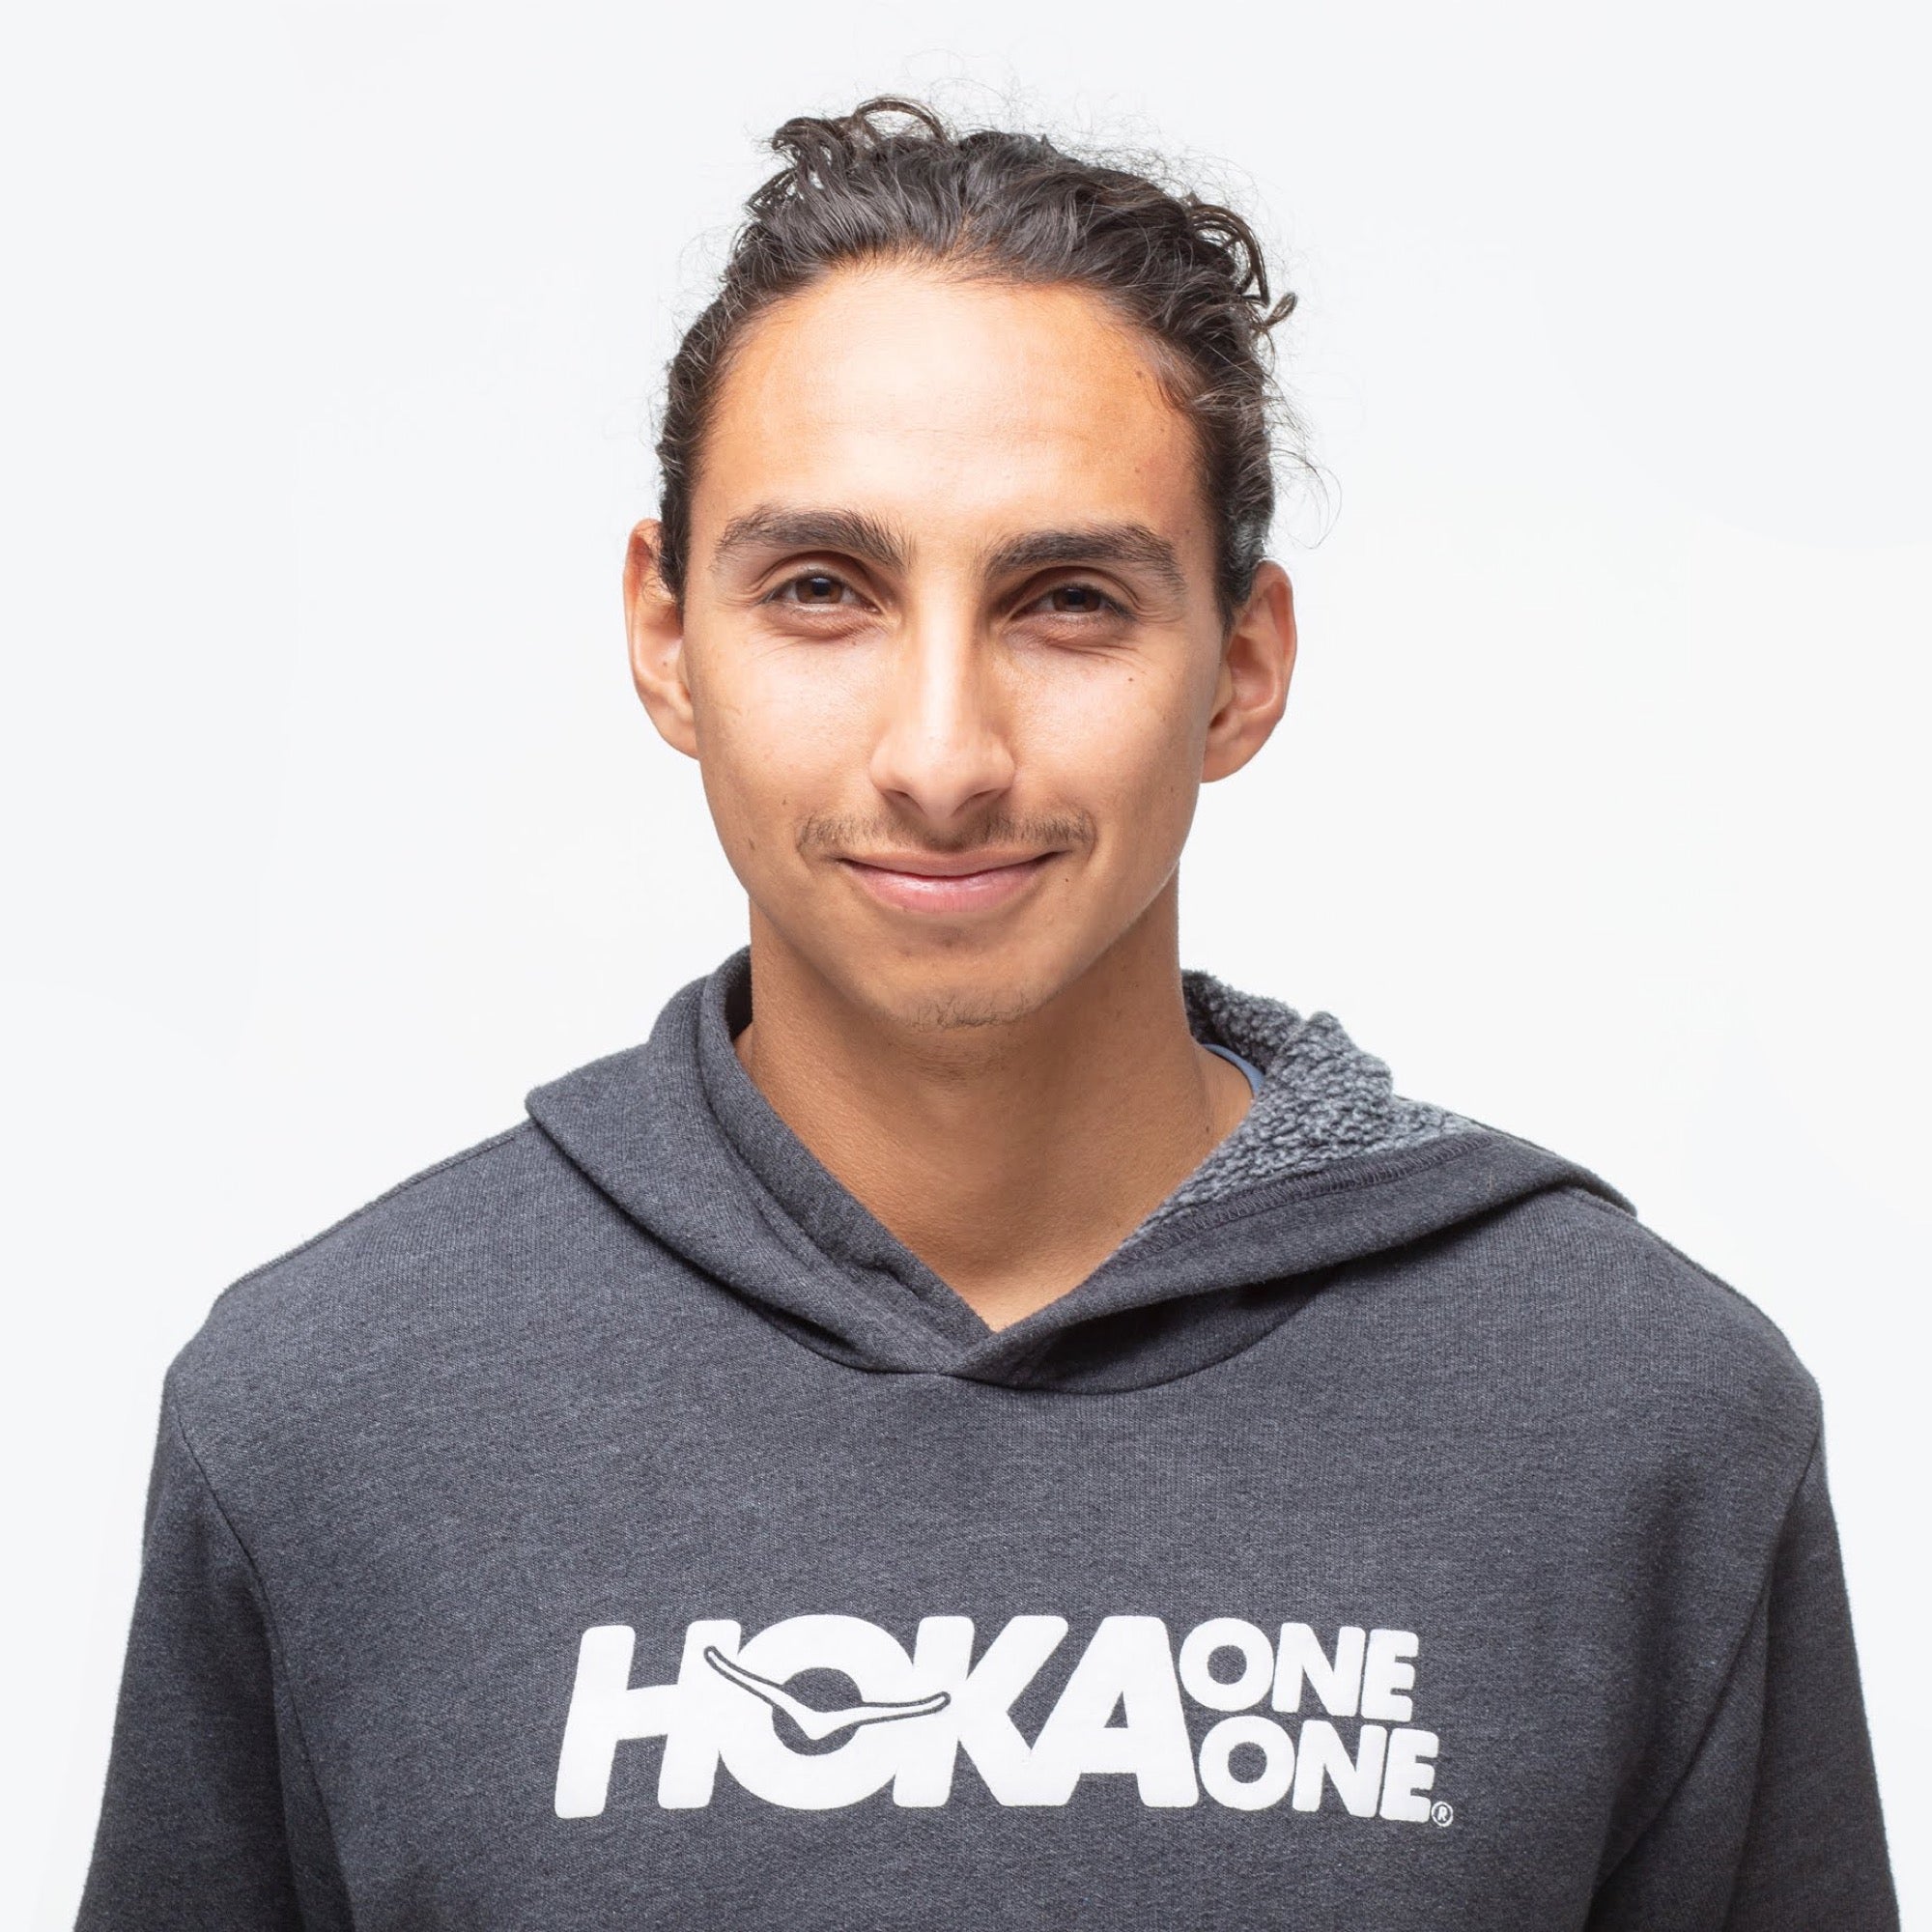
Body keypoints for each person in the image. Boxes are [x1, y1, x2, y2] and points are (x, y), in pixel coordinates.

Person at [77, 97, 1896, 1930]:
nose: (943, 756)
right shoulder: (328, 1413)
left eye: (1068, 602)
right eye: (822, 592)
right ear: (667, 636)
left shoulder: (1639, 1416)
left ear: (1241, 666)